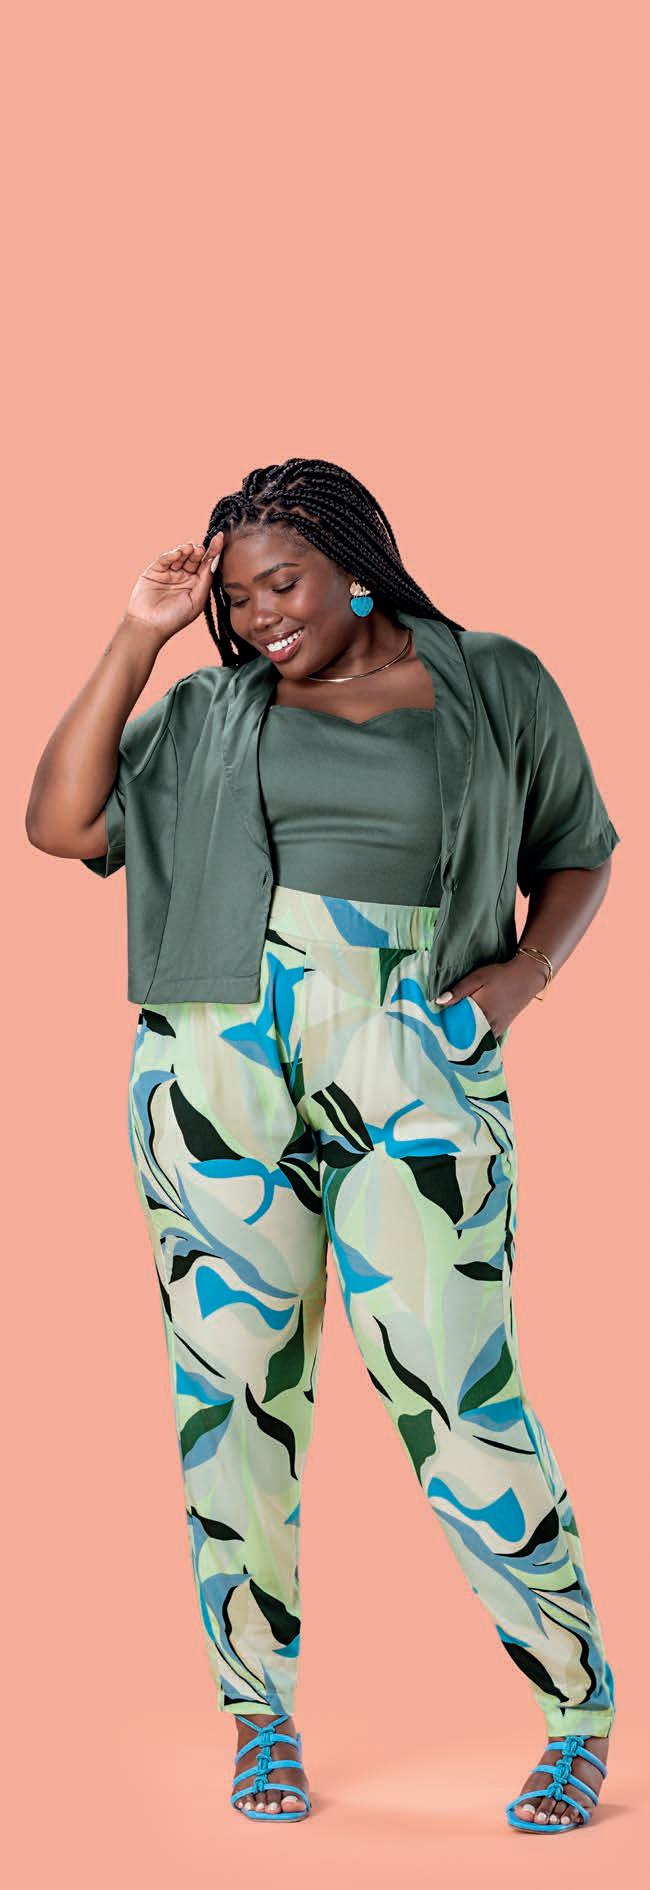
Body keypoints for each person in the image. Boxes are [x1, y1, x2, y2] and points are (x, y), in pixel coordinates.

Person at [26, 456, 620, 1831]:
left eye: (279, 583)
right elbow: (59, 822)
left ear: (356, 565)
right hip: (214, 1058)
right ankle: (259, 1715)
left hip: (410, 1051)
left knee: (456, 1383)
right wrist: (139, 633)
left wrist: (515, 984)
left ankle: (575, 1709)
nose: (258, 617)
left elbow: (578, 845)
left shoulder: (491, 680)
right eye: (236, 600)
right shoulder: (210, 708)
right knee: (231, 1393)